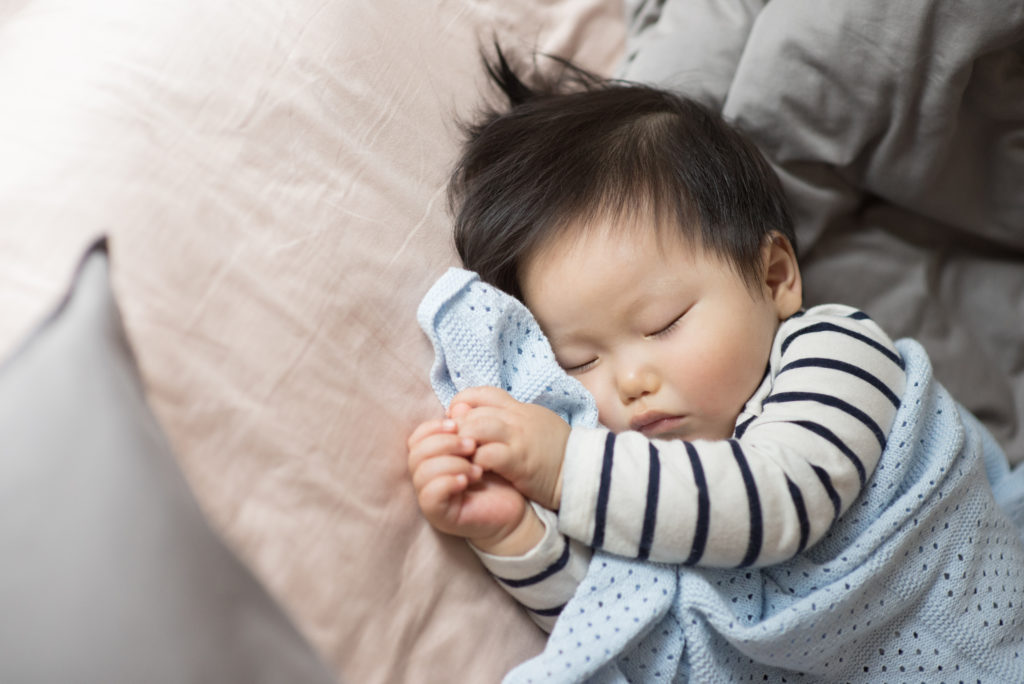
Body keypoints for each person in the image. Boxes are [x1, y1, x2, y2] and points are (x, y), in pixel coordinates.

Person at [407, 49, 907, 632]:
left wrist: (564, 468)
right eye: (579, 360)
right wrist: (513, 534)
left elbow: (779, 501)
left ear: (774, 277)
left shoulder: (836, 350)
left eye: (664, 323)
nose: (629, 381)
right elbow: (632, 625)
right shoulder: (631, 480)